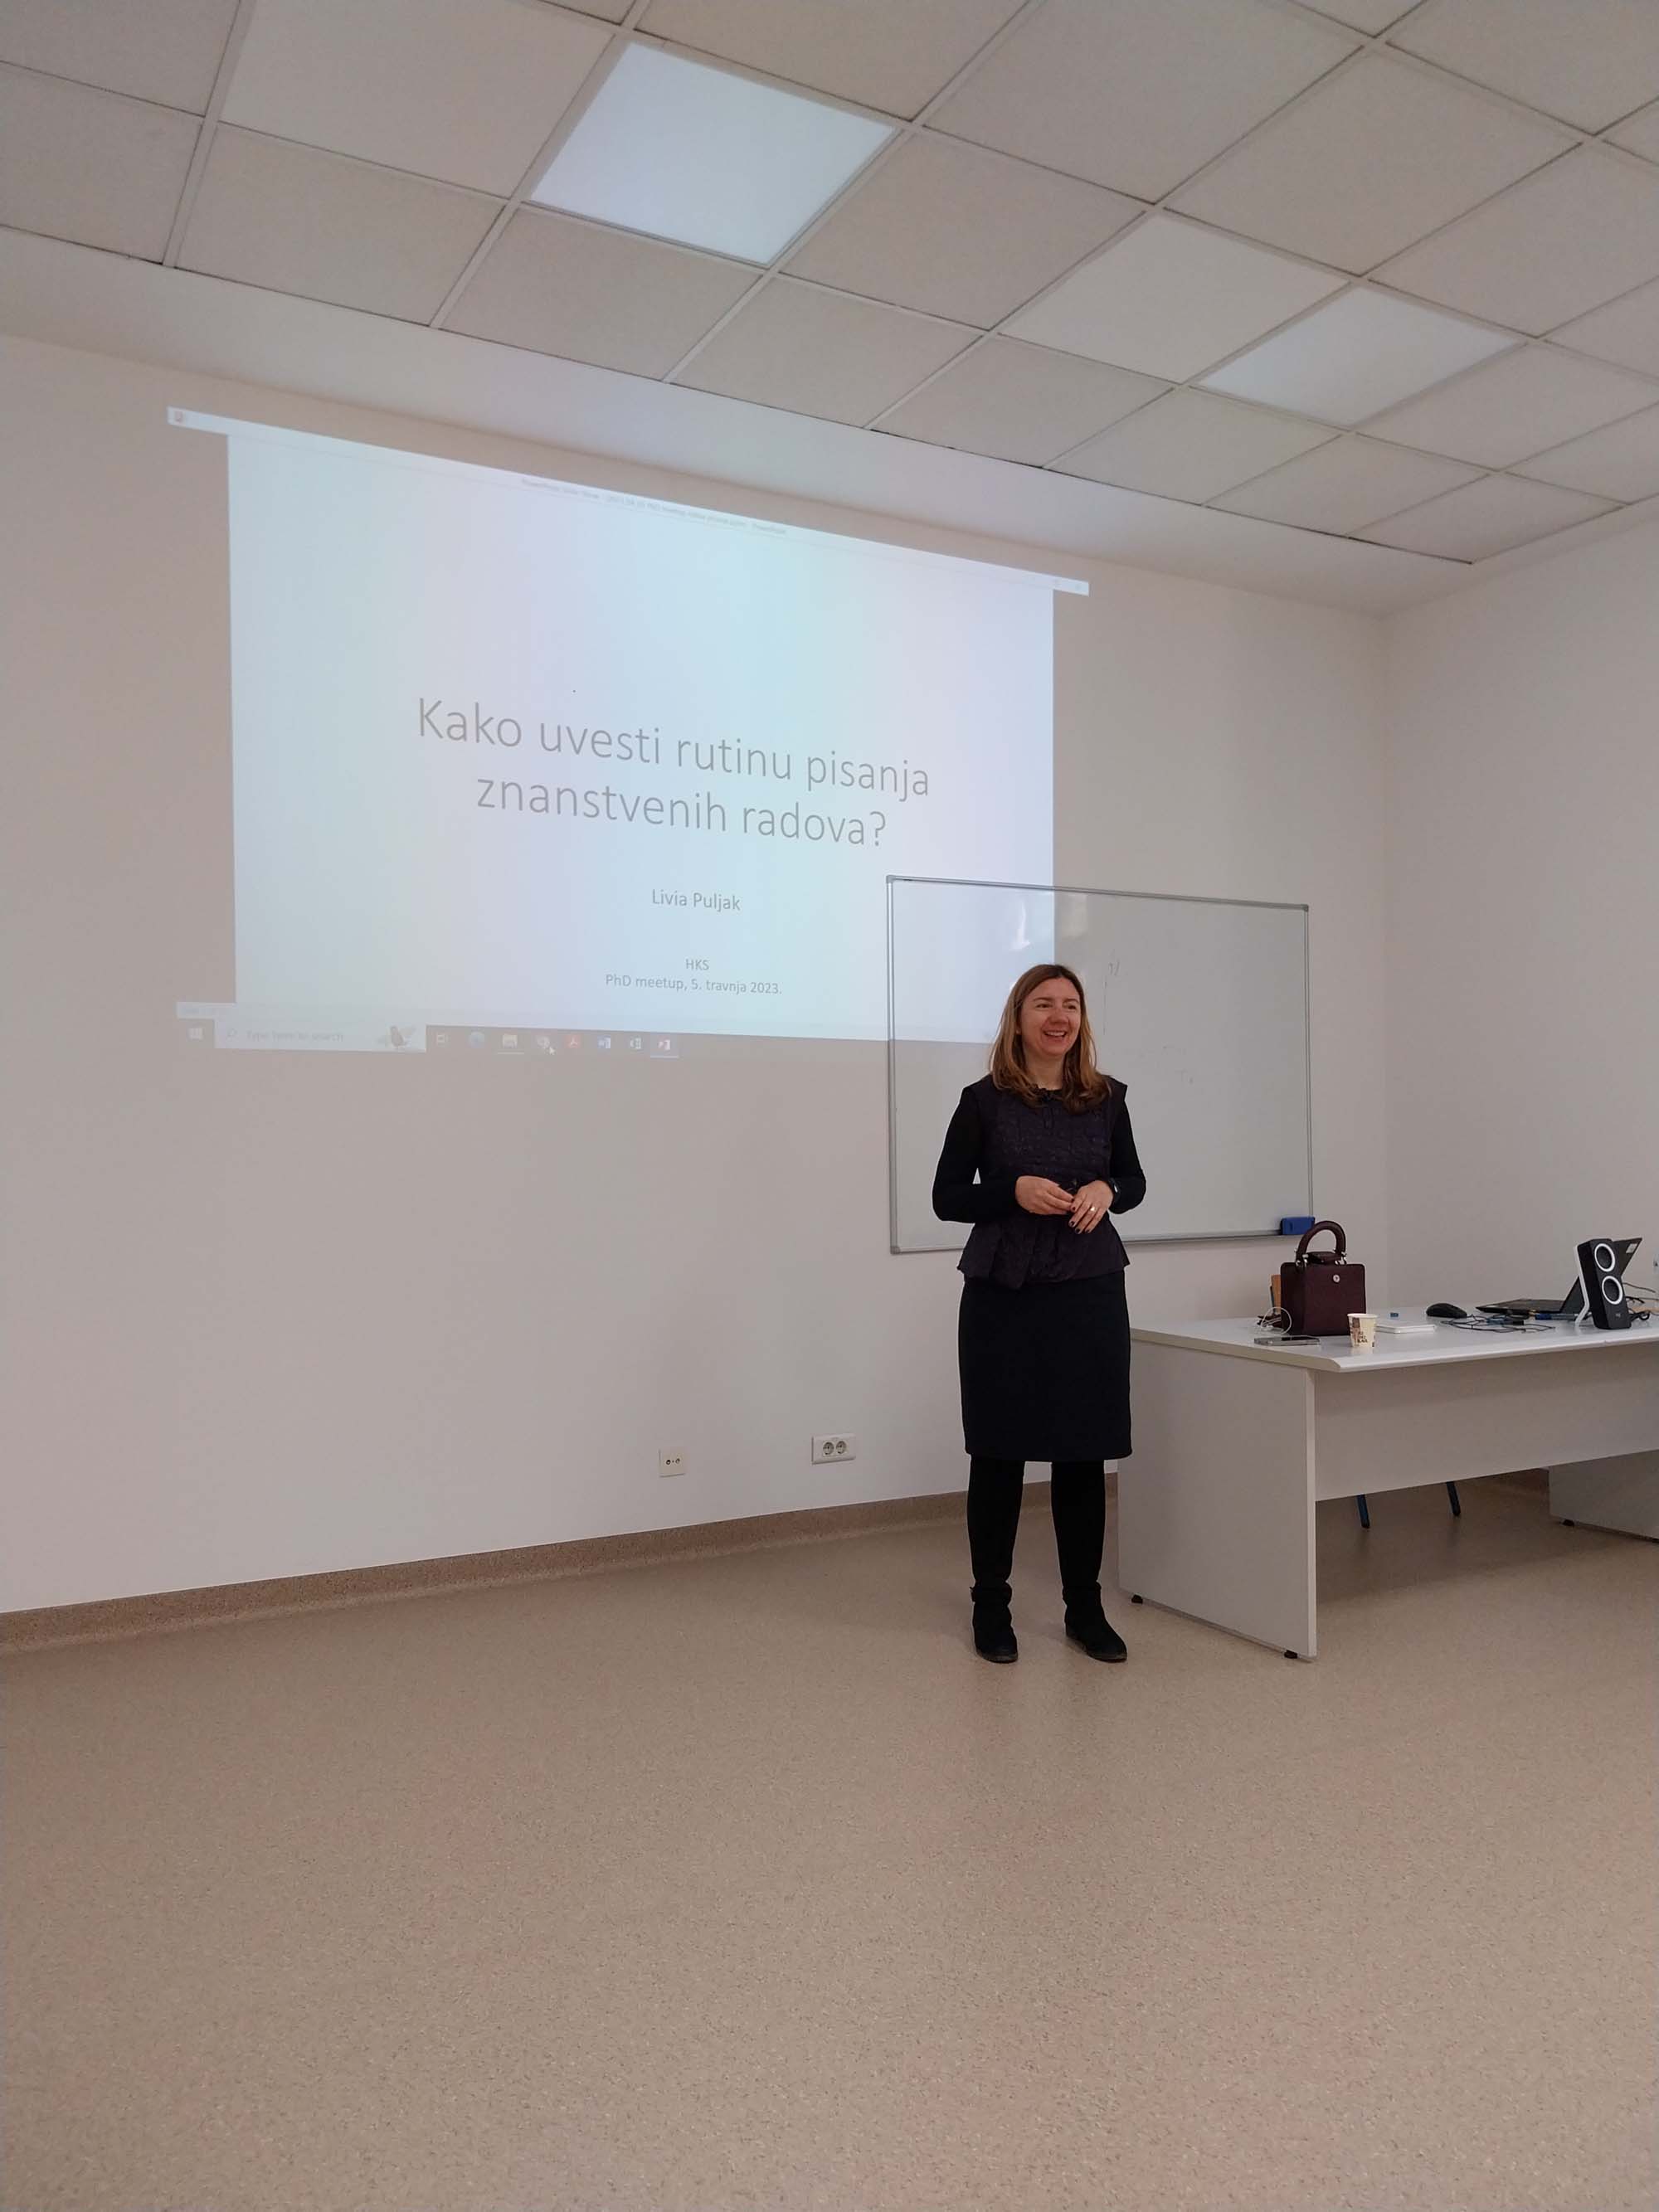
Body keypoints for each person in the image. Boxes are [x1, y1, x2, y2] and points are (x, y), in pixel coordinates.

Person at [932, 964, 1146, 1665]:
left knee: (1082, 1453)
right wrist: (1011, 1189)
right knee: (999, 1453)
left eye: (1071, 1005)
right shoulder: (983, 1101)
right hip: (1004, 1293)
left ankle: (1084, 1608)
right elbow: (946, 1197)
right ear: (1018, 1019)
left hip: (1089, 1291)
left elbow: (1134, 1180)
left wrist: (1108, 1189)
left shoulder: (1107, 1098)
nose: (1059, 1017)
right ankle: (991, 1607)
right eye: (1044, 1004)